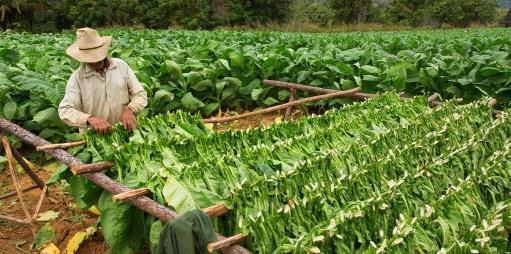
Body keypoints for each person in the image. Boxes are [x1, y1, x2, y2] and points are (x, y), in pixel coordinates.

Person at [58, 28, 147, 134]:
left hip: (127, 131)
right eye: (89, 59)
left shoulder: (121, 66)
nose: (94, 62)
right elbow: (65, 110)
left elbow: (140, 94)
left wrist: (130, 110)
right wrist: (90, 119)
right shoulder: (77, 78)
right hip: (97, 139)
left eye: (97, 57)